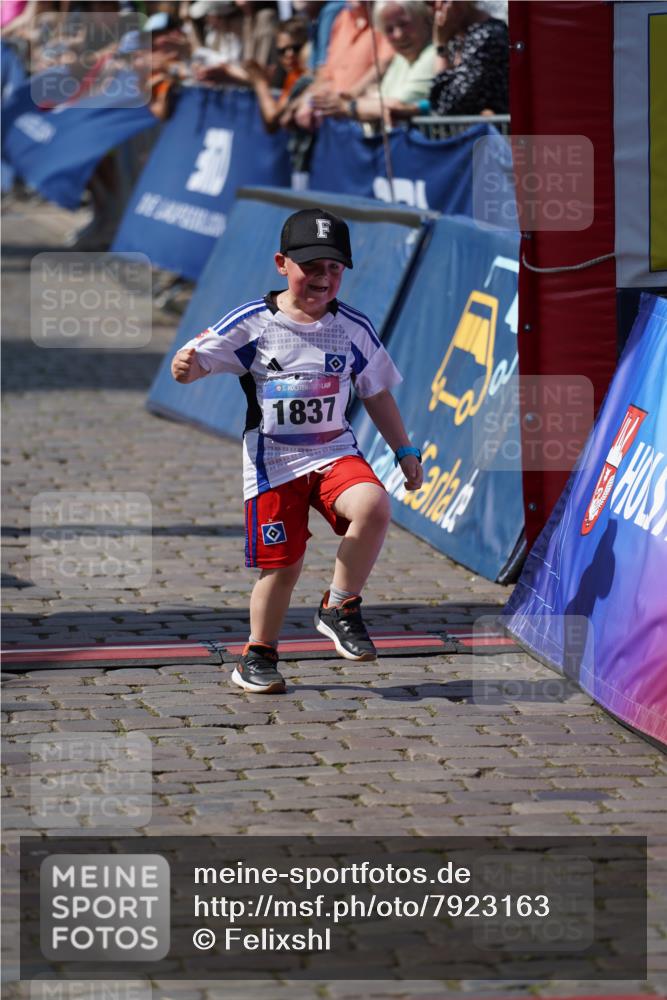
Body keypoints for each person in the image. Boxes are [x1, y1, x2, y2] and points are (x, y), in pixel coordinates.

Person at [171, 209, 423, 694]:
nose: (323, 278)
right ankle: (258, 655)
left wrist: (404, 449)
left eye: (335, 268)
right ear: (282, 263)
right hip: (273, 463)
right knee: (282, 566)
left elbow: (376, 392)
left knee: (373, 503)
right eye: (311, 266)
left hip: (334, 453)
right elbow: (198, 364)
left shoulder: (352, 327)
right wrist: (187, 367)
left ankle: (340, 604)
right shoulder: (252, 323)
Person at [310, 0, 435, 124]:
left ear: (425, 19)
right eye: (389, 29)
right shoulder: (400, 59)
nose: (399, 35)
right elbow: (380, 97)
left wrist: (347, 106)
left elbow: (396, 106)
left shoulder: (433, 56)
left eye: (404, 24)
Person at [429, 0, 508, 116]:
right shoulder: (455, 37)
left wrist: (441, 47)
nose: (438, 8)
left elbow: (447, 107)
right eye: (429, 3)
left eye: (445, 1)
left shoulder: (487, 36)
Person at [244, 16, 310, 131]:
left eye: (296, 48)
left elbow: (272, 117)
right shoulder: (292, 75)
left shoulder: (304, 75)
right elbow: (271, 125)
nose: (289, 55)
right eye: (282, 51)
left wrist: (260, 82)